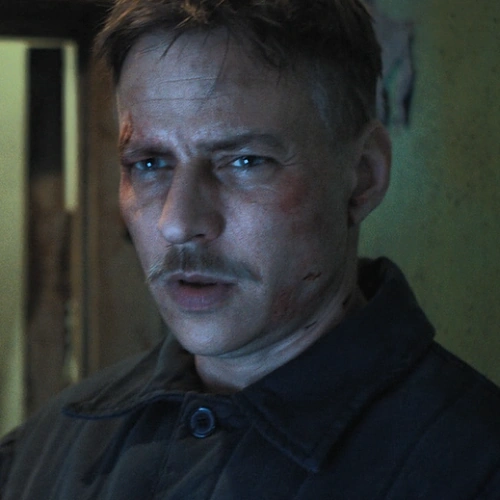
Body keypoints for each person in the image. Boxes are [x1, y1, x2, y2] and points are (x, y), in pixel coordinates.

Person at [1, 0, 499, 498]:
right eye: (149, 164)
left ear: (362, 177)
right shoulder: (44, 452)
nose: (177, 223)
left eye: (244, 161)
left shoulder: (473, 467)